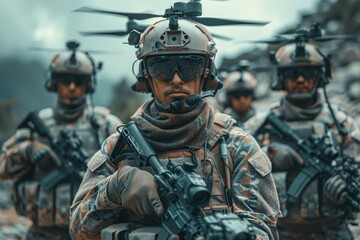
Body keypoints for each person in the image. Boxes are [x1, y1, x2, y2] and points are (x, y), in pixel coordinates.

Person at [69, 17, 280, 240]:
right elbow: (77, 232)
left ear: (206, 73)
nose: (177, 79)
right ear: (146, 76)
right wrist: (115, 188)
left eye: (189, 66)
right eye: (163, 68)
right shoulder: (119, 147)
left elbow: (263, 231)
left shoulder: (237, 146)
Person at [0, 41, 122, 240]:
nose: (72, 87)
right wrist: (29, 151)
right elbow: (3, 167)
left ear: (88, 85)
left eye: (78, 81)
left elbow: (127, 173)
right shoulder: (38, 126)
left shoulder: (105, 125)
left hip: (91, 232)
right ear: (54, 82)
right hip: (43, 233)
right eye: (65, 80)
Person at [245, 42, 360, 240]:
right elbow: (236, 177)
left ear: (320, 77)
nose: (300, 79)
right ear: (282, 78)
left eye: (308, 73)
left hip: (332, 230)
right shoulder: (258, 125)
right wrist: (267, 156)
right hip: (280, 231)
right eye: (293, 74)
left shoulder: (342, 124)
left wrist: (347, 183)